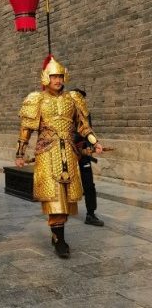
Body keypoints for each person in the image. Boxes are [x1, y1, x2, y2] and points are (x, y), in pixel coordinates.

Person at [15, 56, 103, 259]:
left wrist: (94, 141)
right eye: (53, 76)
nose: (57, 80)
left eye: (60, 76)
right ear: (46, 77)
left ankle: (57, 235)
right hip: (47, 152)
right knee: (54, 196)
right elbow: (26, 129)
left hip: (69, 152)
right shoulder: (36, 99)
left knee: (67, 196)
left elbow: (84, 125)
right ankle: (60, 239)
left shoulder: (73, 99)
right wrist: (20, 153)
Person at [72, 88, 104, 227]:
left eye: (82, 98)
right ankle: (61, 210)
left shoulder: (85, 114)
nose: (80, 101)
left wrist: (94, 144)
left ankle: (90, 214)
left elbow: (87, 131)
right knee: (64, 182)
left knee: (89, 184)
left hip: (83, 151)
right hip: (67, 151)